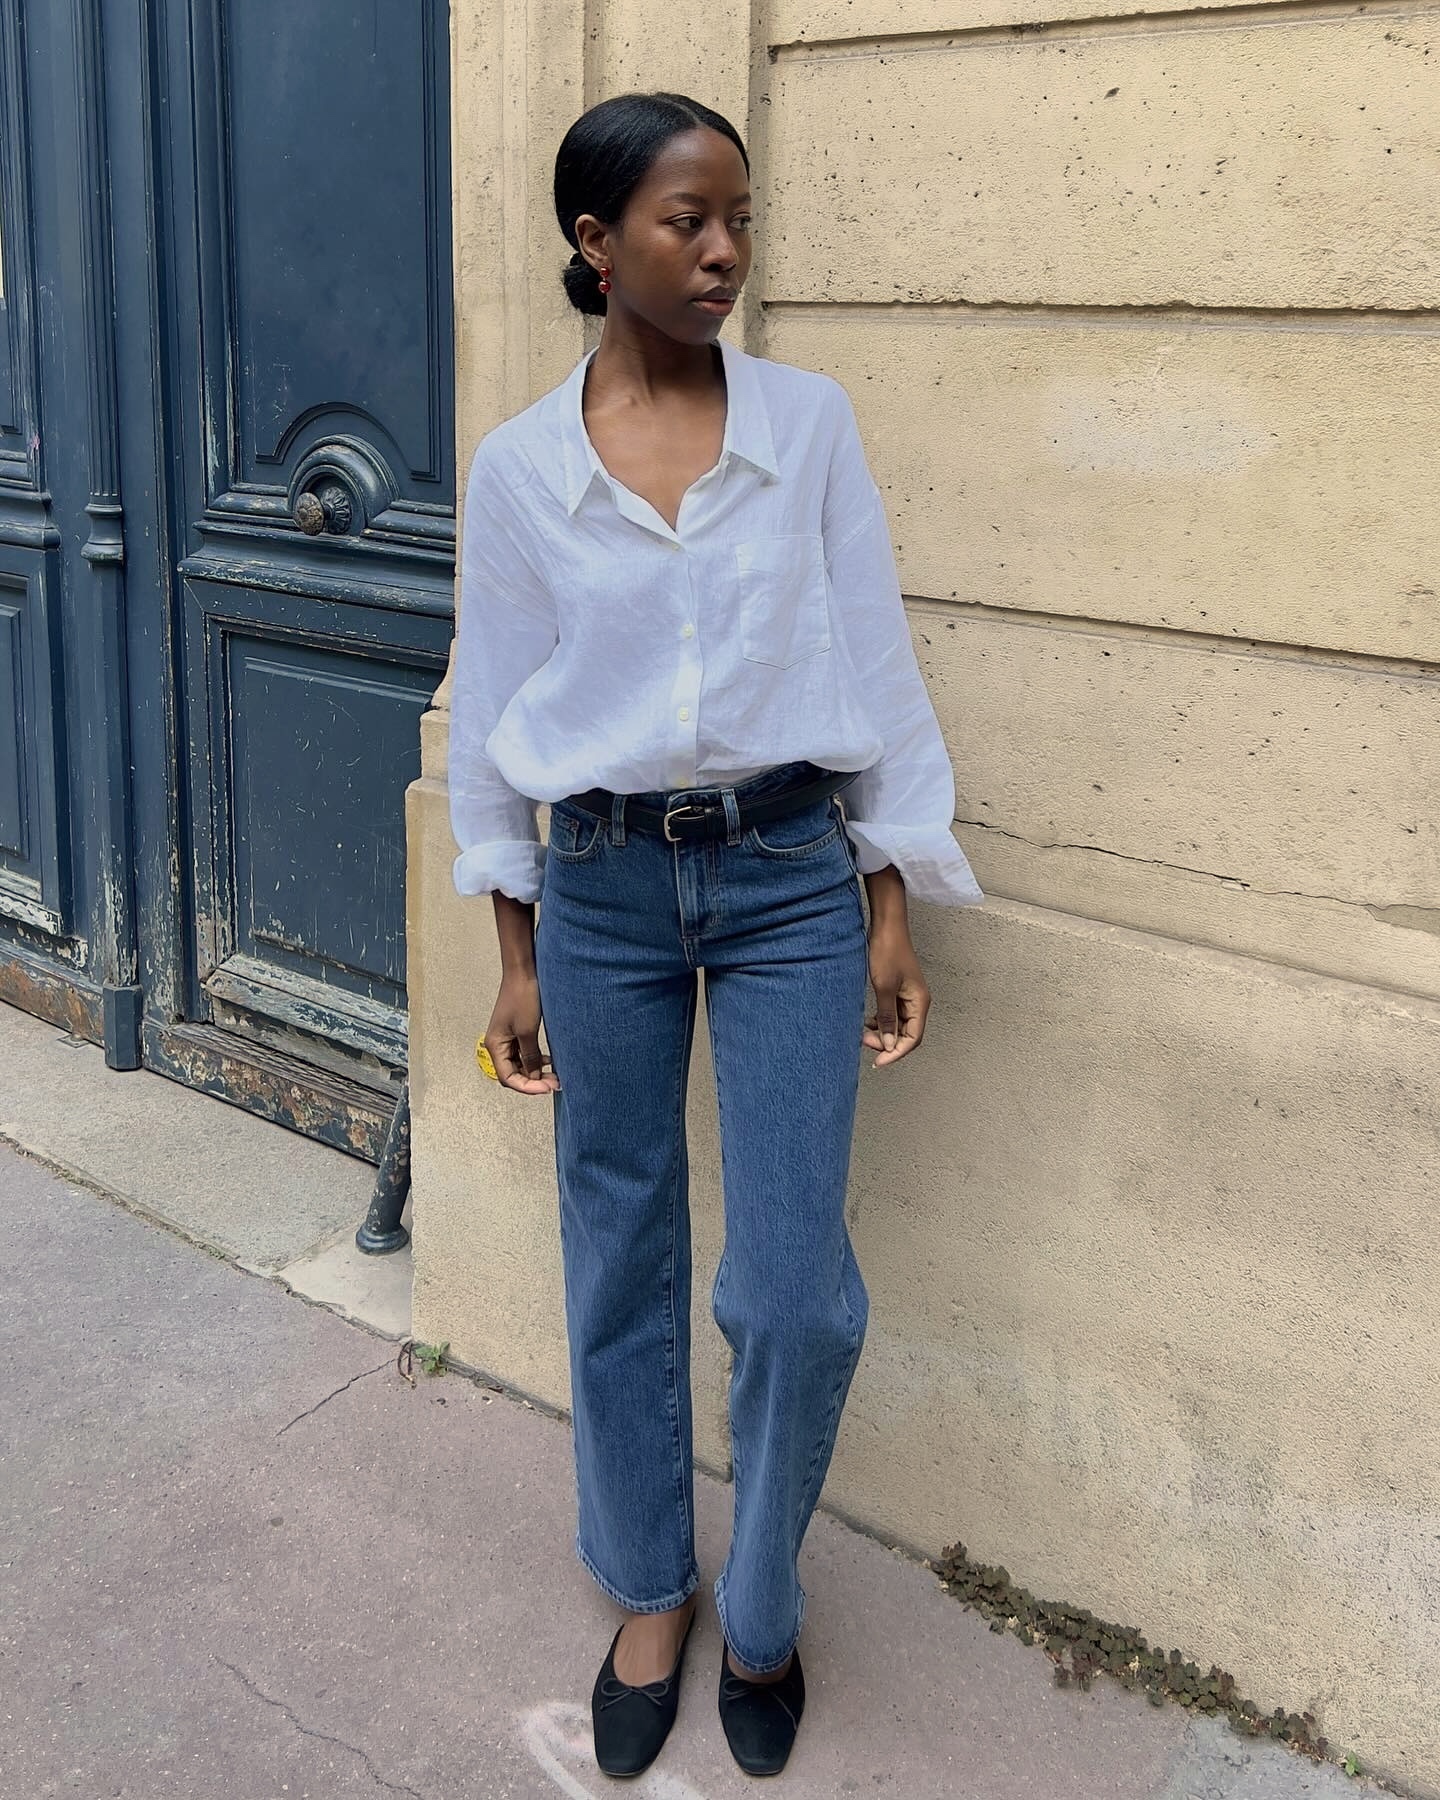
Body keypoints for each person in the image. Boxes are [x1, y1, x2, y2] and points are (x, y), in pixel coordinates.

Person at [448, 91, 983, 1781]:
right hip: (597, 886)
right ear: (597, 245)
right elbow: (494, 714)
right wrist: (515, 941)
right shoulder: (521, 468)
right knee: (618, 1251)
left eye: (738, 218)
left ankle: (763, 1599)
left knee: (797, 1291)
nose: (726, 252)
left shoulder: (807, 426)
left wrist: (890, 892)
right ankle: (647, 1588)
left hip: (783, 881)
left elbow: (874, 662)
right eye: (688, 222)